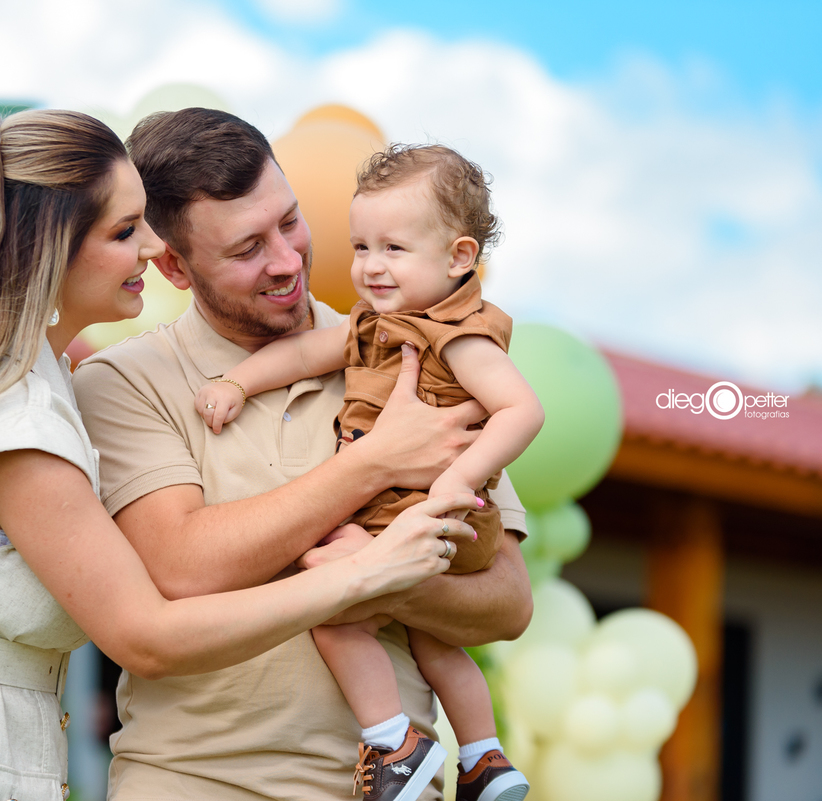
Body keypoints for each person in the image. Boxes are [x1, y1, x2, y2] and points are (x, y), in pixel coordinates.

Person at [0, 110, 475, 801]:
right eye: (123, 231)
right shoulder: (16, 420)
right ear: (46, 251)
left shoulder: (41, 383)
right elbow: (147, 636)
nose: (151, 247)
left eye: (144, 220)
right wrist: (366, 571)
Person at [72, 109, 535, 801]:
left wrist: (383, 575)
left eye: (289, 221)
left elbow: (506, 601)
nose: (287, 260)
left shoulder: (409, 348)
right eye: (247, 247)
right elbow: (181, 565)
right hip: (196, 783)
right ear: (173, 263)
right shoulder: (124, 382)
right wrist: (374, 463)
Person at [194, 143, 544, 801]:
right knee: (435, 641)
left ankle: (394, 745)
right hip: (421, 517)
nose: (371, 267)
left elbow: (522, 410)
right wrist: (239, 382)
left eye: (394, 249)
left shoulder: (457, 333)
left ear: (459, 257)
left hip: (427, 510)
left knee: (331, 609)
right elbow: (303, 352)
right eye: (361, 247)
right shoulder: (379, 323)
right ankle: (485, 758)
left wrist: (455, 479)